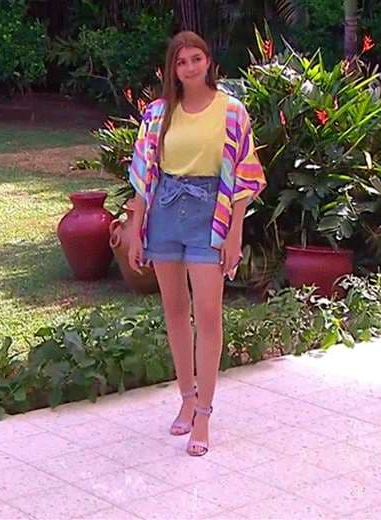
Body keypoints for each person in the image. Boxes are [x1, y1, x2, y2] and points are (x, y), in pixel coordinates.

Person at [126, 30, 266, 456]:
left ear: (209, 61)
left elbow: (244, 175)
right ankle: (186, 399)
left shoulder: (231, 110)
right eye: (181, 61)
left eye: (196, 59)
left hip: (211, 214)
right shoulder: (157, 113)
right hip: (165, 211)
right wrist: (135, 228)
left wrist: (235, 232)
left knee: (207, 314)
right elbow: (143, 176)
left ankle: (204, 413)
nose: (189, 67)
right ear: (172, 69)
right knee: (174, 310)